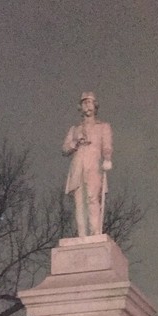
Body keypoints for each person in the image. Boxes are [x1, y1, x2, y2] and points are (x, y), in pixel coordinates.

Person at [62, 91, 113, 237]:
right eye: (84, 103)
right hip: (78, 167)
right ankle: (82, 235)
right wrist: (75, 142)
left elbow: (107, 146)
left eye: (89, 102)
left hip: (94, 166)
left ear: (95, 106)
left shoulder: (103, 126)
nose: (87, 105)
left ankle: (95, 233)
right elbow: (65, 149)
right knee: (79, 203)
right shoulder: (75, 129)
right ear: (81, 107)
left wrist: (107, 158)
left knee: (92, 198)